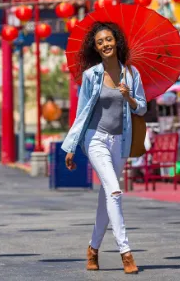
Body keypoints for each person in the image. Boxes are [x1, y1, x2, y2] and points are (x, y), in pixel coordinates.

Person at [61, 22, 147, 274]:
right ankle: (126, 252)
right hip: (95, 138)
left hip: (120, 141)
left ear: (116, 41)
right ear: (96, 49)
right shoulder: (91, 76)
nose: (105, 45)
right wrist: (72, 146)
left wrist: (129, 96)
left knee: (107, 196)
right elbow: (82, 112)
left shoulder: (131, 73)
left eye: (108, 39)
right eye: (100, 42)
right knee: (116, 191)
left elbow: (141, 107)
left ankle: (93, 249)